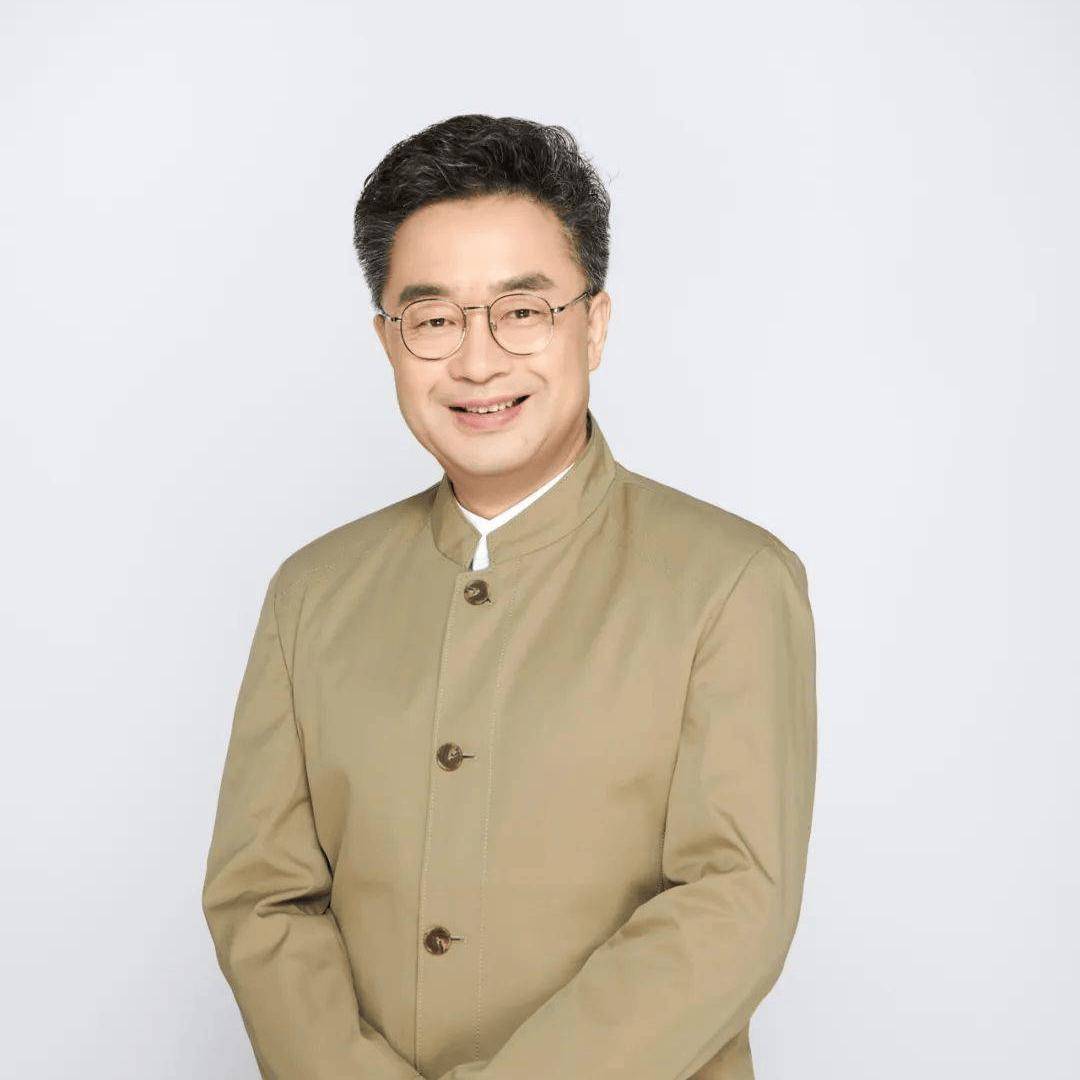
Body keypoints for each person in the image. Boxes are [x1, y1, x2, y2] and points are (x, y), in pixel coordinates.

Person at [201, 113, 818, 1080]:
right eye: (434, 319)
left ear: (594, 325)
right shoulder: (312, 593)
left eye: (522, 311)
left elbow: (734, 904)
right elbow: (261, 900)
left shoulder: (732, 581)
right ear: (389, 341)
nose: (478, 361)